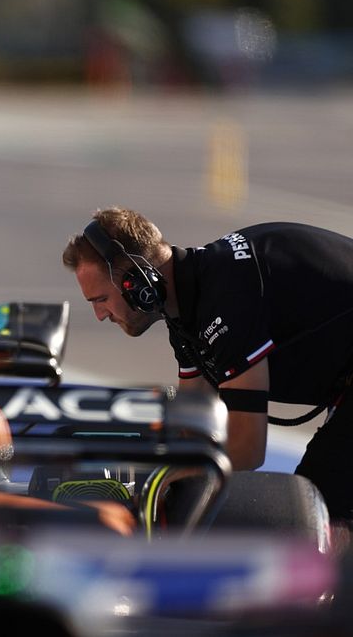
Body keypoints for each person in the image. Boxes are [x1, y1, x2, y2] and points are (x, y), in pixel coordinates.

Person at [62, 207, 353, 520]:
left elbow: (247, 448)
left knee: (318, 514)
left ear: (137, 283)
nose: (100, 315)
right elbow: (193, 428)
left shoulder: (225, 299)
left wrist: (160, 481)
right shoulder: (189, 310)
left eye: (100, 299)